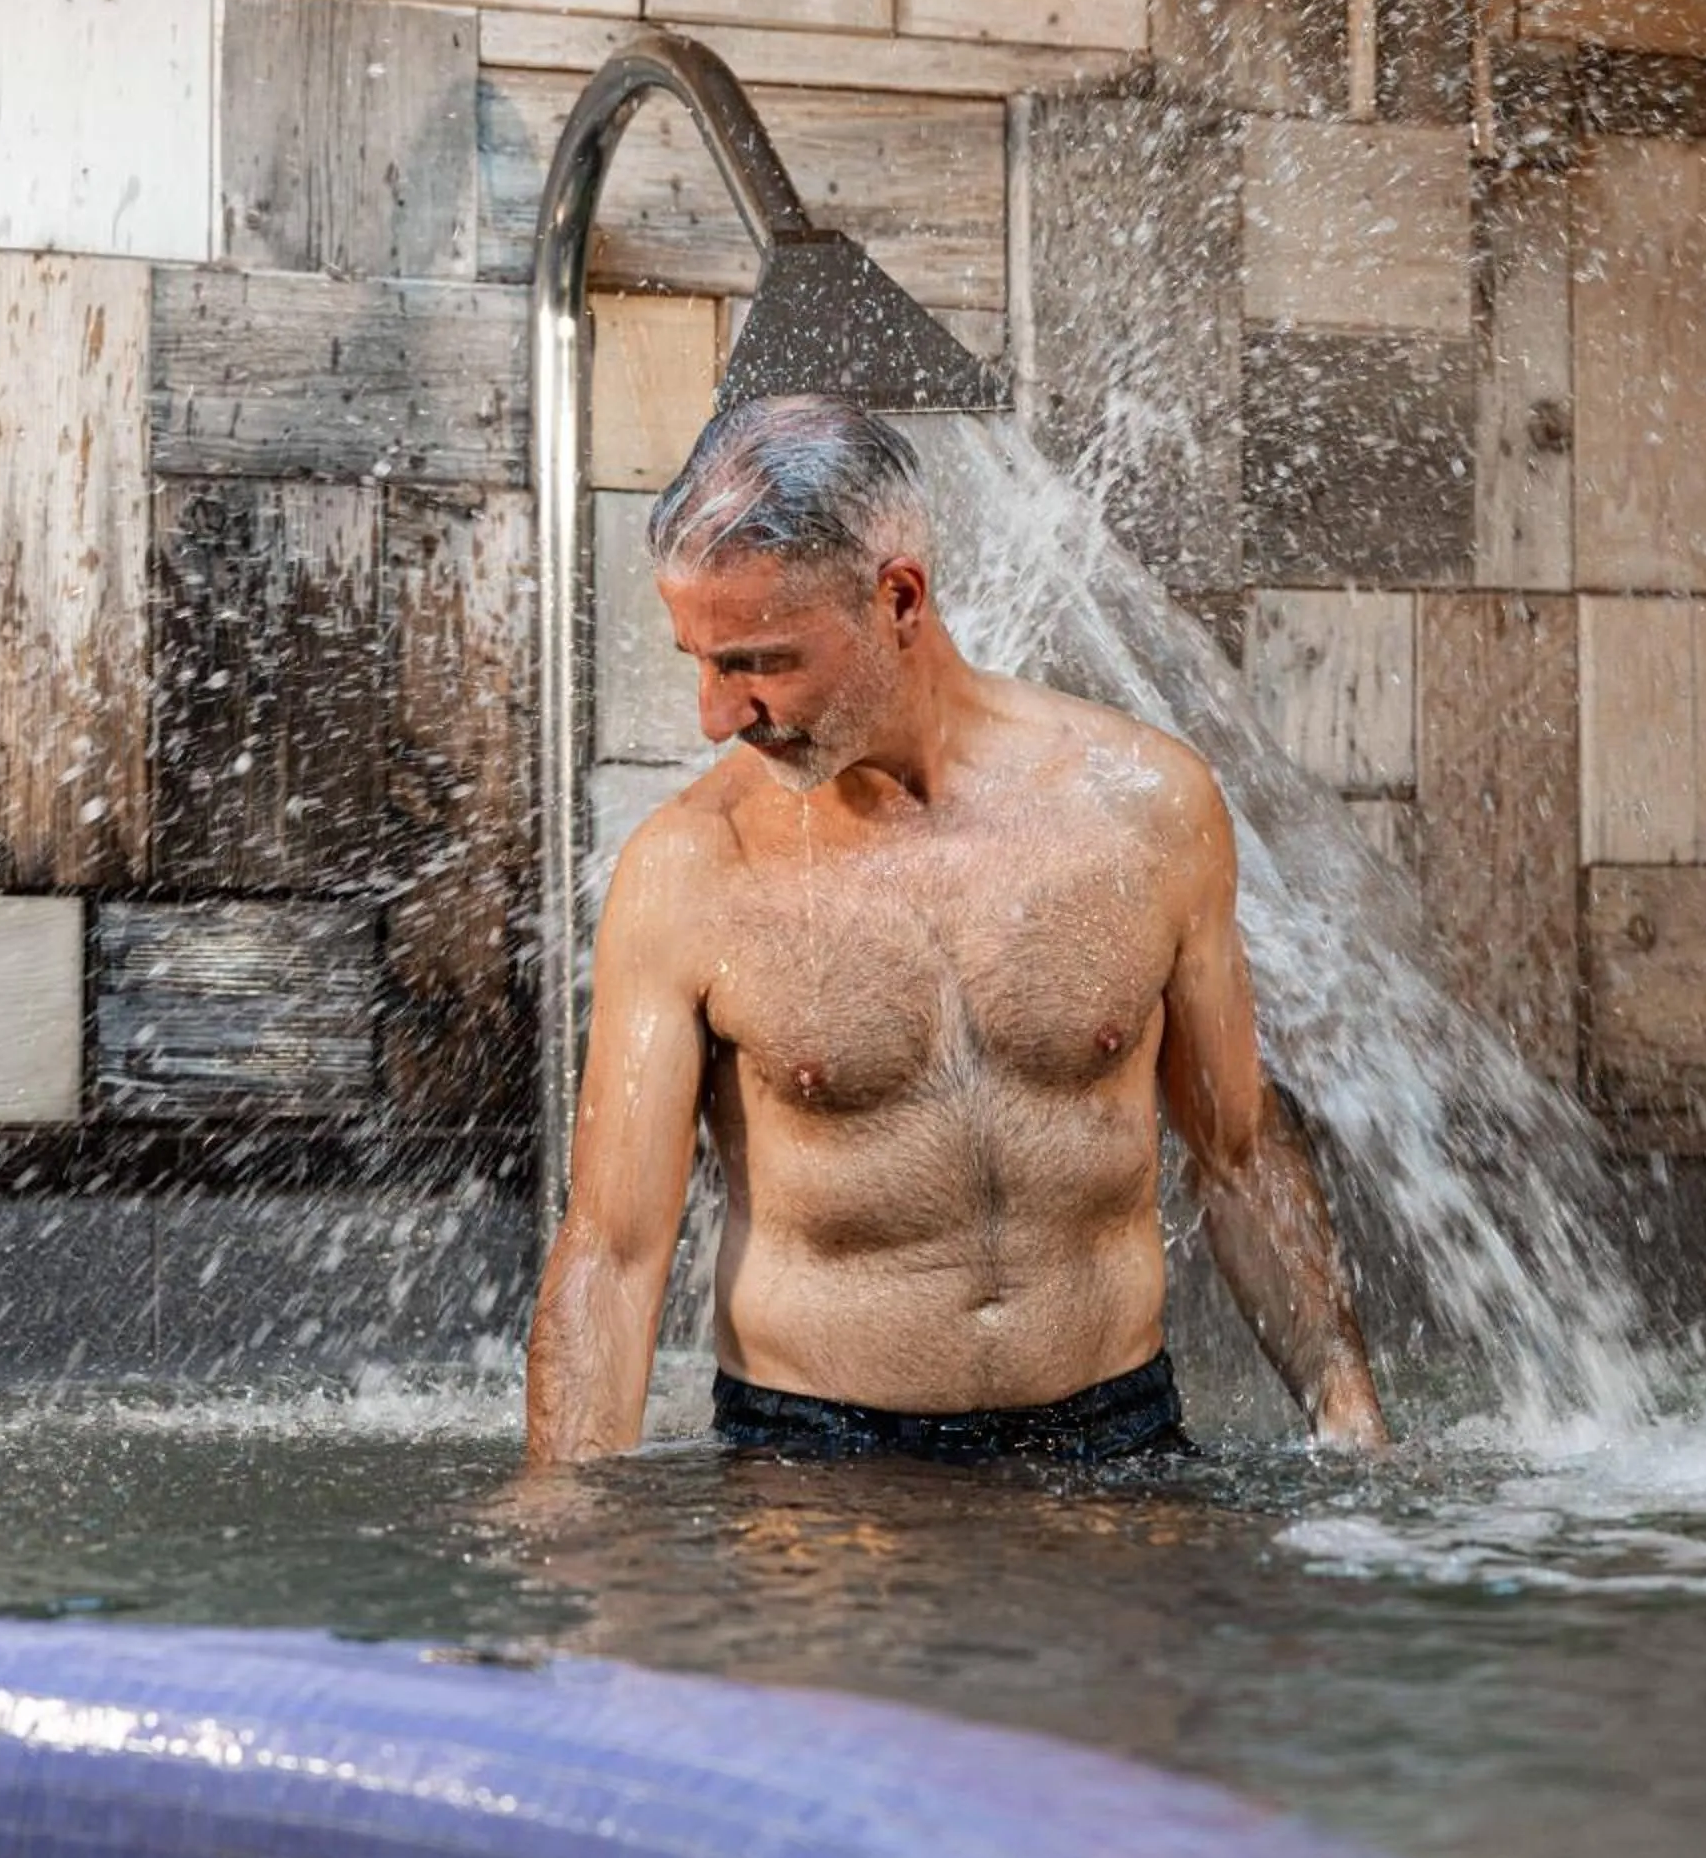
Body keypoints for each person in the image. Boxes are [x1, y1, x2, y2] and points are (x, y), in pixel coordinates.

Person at [522, 394, 1389, 1467]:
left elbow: (1240, 1149)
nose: (715, 715)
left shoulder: (1148, 808)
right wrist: (562, 1523)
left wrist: (1352, 1422)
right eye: (698, 661)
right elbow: (612, 1252)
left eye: (755, 662)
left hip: (1115, 1450)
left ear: (899, 598)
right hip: (816, 1475)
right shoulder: (689, 870)